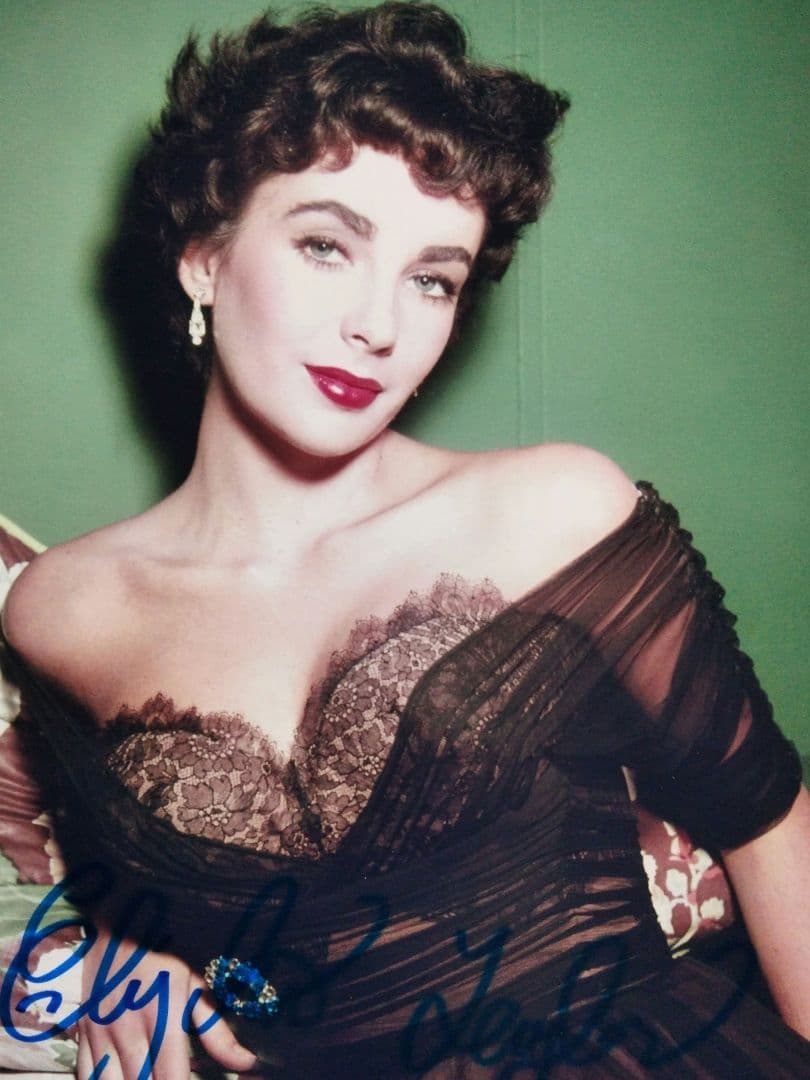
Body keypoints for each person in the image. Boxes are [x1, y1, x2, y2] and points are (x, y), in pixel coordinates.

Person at [2, 3, 808, 1077]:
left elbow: (766, 823)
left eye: (433, 278)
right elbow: (180, 921)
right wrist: (119, 956)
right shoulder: (62, 608)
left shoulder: (556, 512)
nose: (379, 326)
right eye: (326, 246)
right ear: (204, 261)